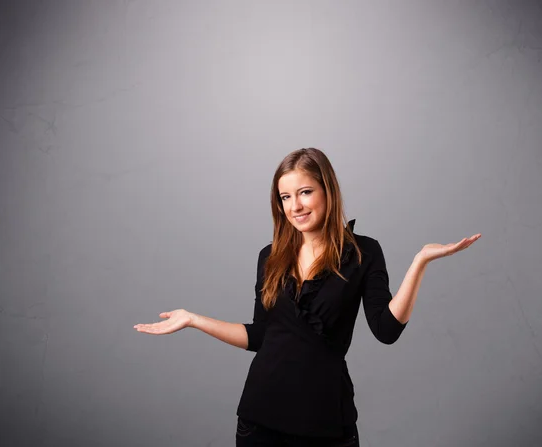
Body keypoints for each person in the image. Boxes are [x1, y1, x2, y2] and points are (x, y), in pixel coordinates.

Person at [134, 148, 481, 446]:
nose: (295, 206)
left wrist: (419, 262)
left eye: (304, 192)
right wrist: (194, 320)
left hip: (325, 423)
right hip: (258, 421)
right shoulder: (269, 256)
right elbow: (261, 336)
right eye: (285, 197)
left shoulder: (363, 253)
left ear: (327, 191)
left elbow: (387, 330)